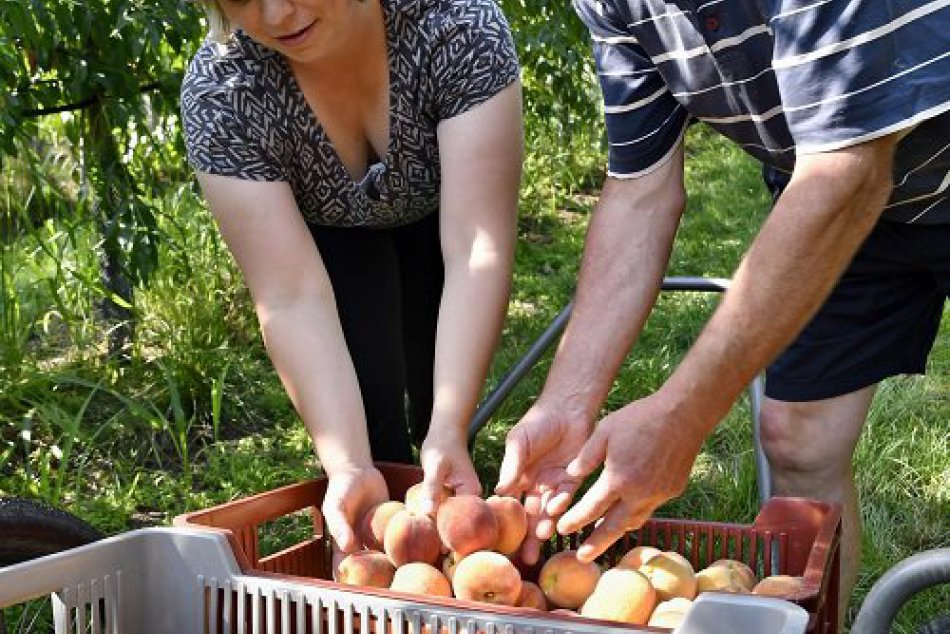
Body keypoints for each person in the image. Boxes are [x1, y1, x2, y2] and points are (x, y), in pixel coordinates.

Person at [494, 0, 948, 625]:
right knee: (799, 438)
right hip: (849, 186)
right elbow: (641, 191)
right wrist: (566, 404)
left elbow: (847, 172)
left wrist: (683, 416)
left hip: (853, 171)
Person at [180, 0, 523, 555]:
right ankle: (385, 517)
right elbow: (290, 296)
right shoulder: (224, 93)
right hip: (333, 227)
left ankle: (447, 476)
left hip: (442, 206)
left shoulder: (456, 26)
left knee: (436, 384)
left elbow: (473, 247)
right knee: (368, 409)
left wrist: (448, 424)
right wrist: (348, 465)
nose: (277, 13)